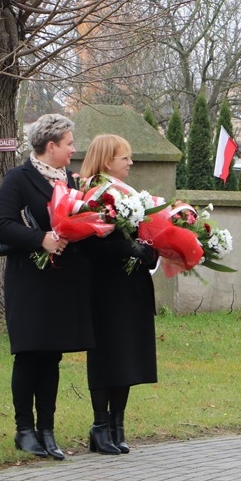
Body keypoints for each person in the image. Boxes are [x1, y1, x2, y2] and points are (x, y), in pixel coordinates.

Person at [0, 114, 94, 460]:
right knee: (29, 353)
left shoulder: (72, 181)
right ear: (51, 146)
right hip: (28, 280)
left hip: (62, 281)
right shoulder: (18, 178)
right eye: (69, 144)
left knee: (52, 355)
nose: (73, 150)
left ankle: (47, 430)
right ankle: (24, 430)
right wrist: (41, 239)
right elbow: (2, 225)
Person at [80, 135, 160, 453]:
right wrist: (128, 247)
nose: (130, 163)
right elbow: (90, 245)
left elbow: (145, 234)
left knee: (127, 354)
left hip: (132, 286)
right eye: (124, 158)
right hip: (105, 288)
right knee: (107, 356)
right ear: (107, 161)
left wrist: (151, 250)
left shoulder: (129, 194)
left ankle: (118, 425)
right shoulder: (93, 195)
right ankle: (100, 426)